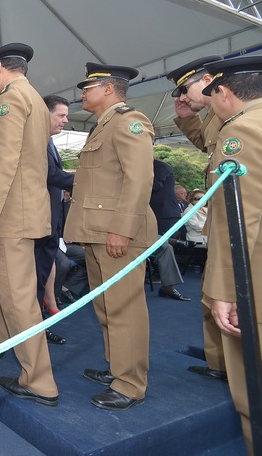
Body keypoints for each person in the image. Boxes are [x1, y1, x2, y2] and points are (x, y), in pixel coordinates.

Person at [0, 43, 58, 407]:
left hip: (10, 214)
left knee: (19, 298)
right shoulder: (35, 99)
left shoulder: (8, 100)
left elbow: (4, 161)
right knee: (10, 286)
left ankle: (39, 381)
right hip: (26, 209)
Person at [64, 62, 156, 411]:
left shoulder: (130, 122)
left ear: (107, 89)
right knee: (106, 306)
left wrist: (122, 229)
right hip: (98, 233)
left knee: (124, 310)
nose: (82, 94)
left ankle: (130, 384)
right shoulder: (103, 125)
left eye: (87, 88)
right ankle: (117, 367)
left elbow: (139, 179)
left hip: (117, 234)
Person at [201, 54, 262, 454]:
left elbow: (238, 219)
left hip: (254, 281)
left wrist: (226, 292)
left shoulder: (241, 131)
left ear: (224, 92)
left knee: (251, 393)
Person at [166, 55, 227, 381]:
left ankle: (237, 367)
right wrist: (187, 117)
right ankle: (220, 362)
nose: (182, 98)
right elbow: (207, 145)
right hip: (219, 221)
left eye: (184, 89)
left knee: (229, 295)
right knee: (212, 294)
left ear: (207, 80)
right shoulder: (215, 115)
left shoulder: (235, 112)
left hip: (236, 222)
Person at [36, 96, 74, 340]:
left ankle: (40, 321)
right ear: (45, 114)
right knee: (36, 276)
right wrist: (87, 180)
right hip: (40, 220)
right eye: (61, 115)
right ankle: (36, 328)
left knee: (43, 273)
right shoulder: (37, 139)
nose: (65, 120)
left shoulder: (48, 140)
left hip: (52, 219)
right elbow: (51, 174)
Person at [149, 159, 190, 301]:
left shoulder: (160, 166)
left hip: (161, 214)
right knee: (163, 243)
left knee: (164, 247)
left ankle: (167, 285)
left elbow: (155, 185)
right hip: (146, 216)